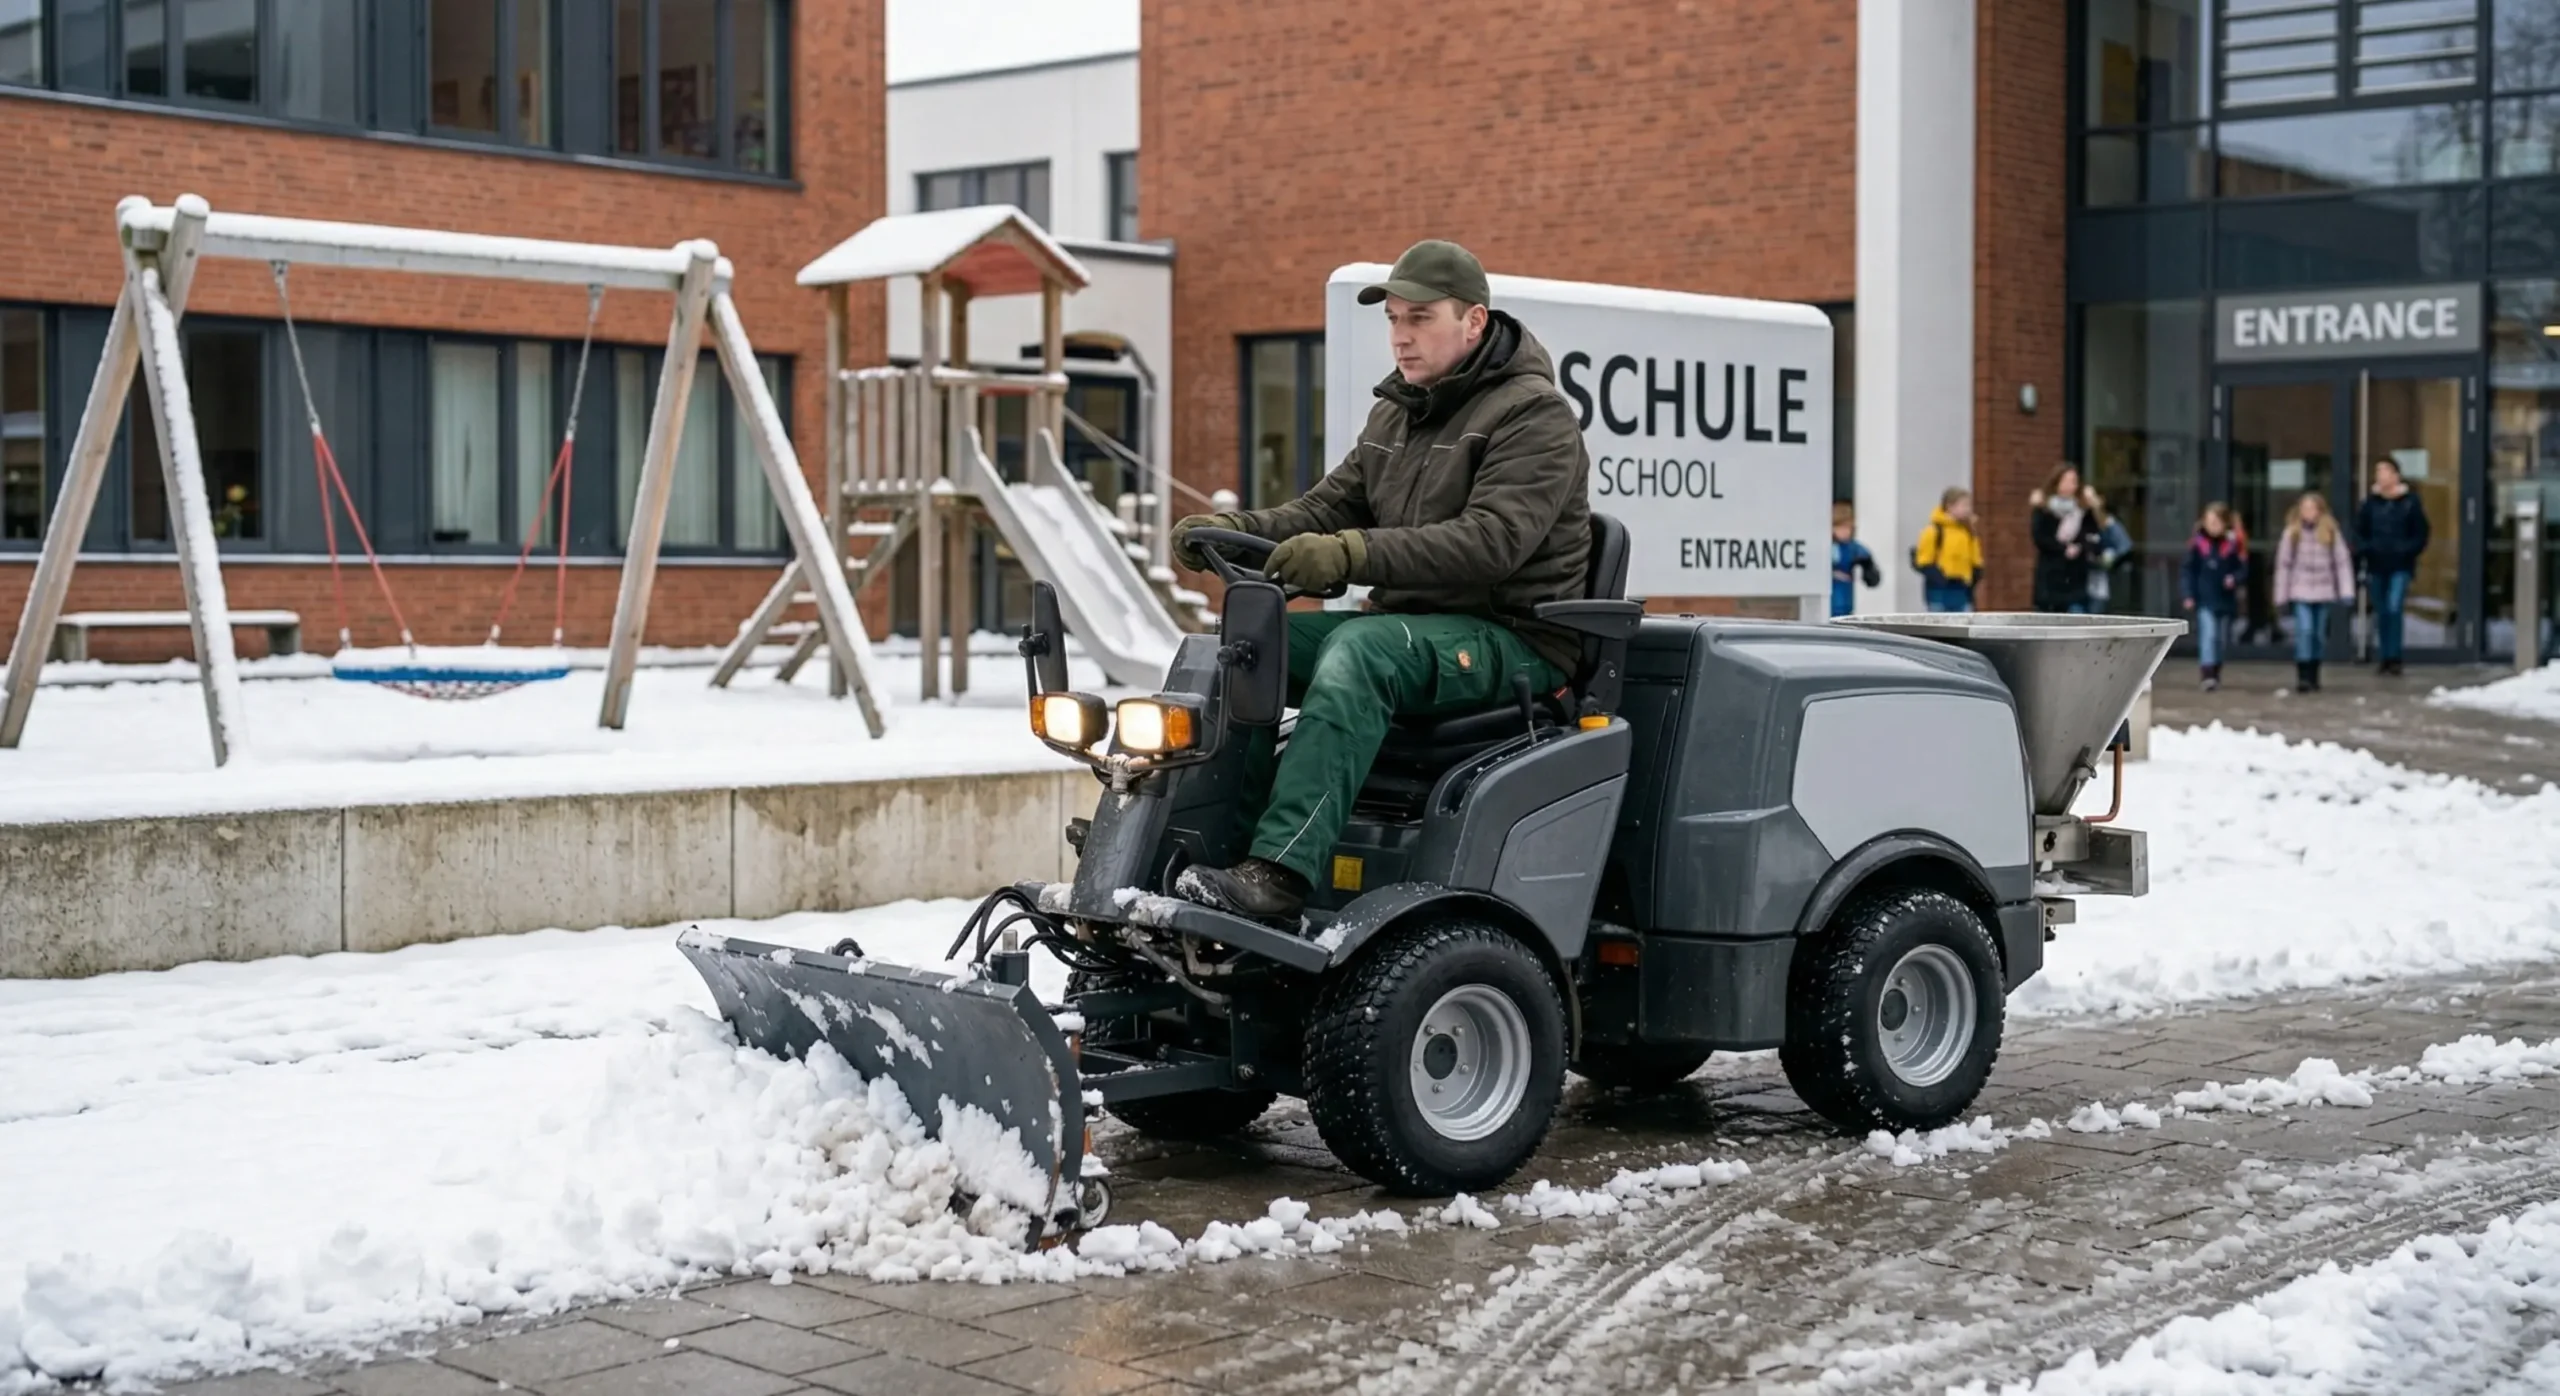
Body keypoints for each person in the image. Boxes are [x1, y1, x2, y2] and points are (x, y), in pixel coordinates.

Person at [1162, 239, 1591, 923]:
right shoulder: (1398, 413)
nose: (1401, 336)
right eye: (1393, 319)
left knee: (1357, 653)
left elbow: (1491, 544)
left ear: (1474, 321)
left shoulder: (1533, 415)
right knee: (1236, 651)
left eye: (1419, 318)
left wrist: (1349, 554)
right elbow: (1326, 510)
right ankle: (1193, 852)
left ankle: (1278, 873)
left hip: (1510, 636)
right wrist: (1235, 525)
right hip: (1412, 633)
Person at [2354, 459, 2431, 676]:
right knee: (2381, 611)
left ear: (2396, 475)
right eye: (2377, 471)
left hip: (2400, 565)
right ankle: (2384, 656)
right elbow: (2359, 531)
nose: (2381, 475)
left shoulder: (2410, 503)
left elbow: (2421, 533)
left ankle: (2394, 656)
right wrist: (2367, 549)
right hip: (2376, 564)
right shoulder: (2370, 503)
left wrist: (2406, 550)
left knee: (2394, 607)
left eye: (2385, 471)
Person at [2273, 492, 2356, 693]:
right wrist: (2281, 596)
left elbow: (2341, 563)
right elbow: (2284, 566)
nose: (2308, 513)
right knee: (2305, 631)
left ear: (2320, 511)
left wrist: (2346, 591)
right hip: (2300, 589)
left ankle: (2314, 673)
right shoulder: (2292, 533)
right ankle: (2303, 675)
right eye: (2304, 508)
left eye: (2312, 509)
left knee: (2318, 634)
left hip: (2323, 590)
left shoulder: (2330, 532)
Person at [2182, 501, 2247, 691]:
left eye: (2217, 522)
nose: (2213, 526)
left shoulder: (2232, 545)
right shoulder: (2197, 545)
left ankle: (2216, 669)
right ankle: (2207, 673)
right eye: (2209, 522)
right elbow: (2188, 571)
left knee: (2220, 638)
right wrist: (2188, 594)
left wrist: (2234, 579)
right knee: (2208, 635)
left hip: (2225, 599)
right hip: (2204, 598)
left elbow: (2243, 569)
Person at [2030, 464, 2093, 614]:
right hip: (2050, 578)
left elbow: (2091, 536)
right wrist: (2063, 549)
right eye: (2065, 481)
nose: (2070, 485)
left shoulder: (2083, 510)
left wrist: (2079, 547)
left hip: (2075, 579)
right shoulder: (2043, 509)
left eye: (2073, 481)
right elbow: (2039, 537)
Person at [1912, 487, 1983, 613]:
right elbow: (1923, 559)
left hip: (1962, 589)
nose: (1967, 509)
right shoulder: (1934, 531)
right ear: (1950, 506)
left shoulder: (1968, 532)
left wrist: (1976, 573)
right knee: (1938, 626)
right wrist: (1938, 577)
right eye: (1963, 505)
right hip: (1939, 590)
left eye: (1968, 505)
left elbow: (1975, 558)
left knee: (1962, 626)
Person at [2083, 487, 2133, 615]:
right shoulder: (2079, 520)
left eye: (2091, 498)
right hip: (2079, 581)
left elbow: (2124, 546)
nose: (2089, 503)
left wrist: (2107, 559)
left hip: (2100, 581)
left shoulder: (2109, 524)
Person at [1830, 501, 1880, 617]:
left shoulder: (1855, 549)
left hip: (1846, 603)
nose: (1844, 532)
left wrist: (1868, 568)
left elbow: (1873, 578)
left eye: (1847, 527)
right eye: (1839, 527)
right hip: (1829, 602)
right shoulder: (1826, 547)